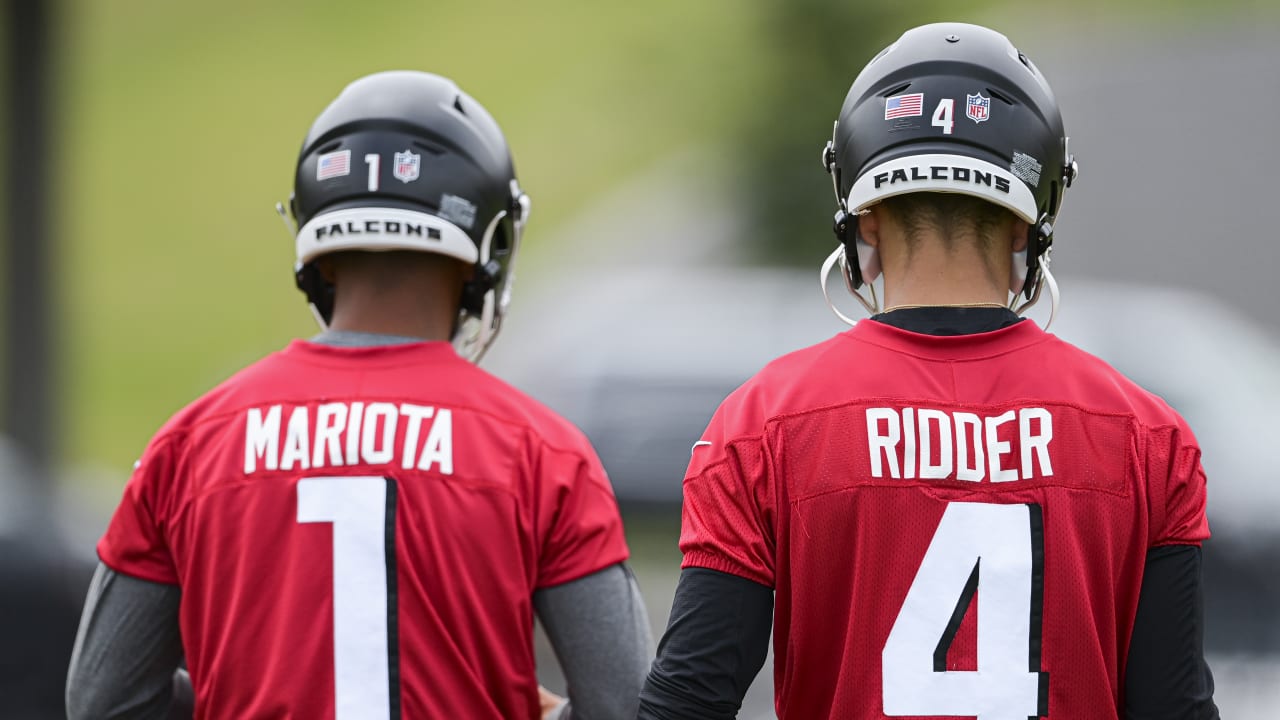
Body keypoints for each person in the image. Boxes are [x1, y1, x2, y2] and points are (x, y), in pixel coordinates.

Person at [637, 22, 1218, 720]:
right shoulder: (1147, 437)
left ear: (867, 217)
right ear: (1028, 222)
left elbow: (686, 705)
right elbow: (1174, 709)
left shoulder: (763, 425)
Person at [66, 70, 653, 720]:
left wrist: (240, 694)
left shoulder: (192, 443)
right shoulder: (542, 452)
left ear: (316, 237)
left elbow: (104, 700)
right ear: (485, 242)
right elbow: (626, 706)